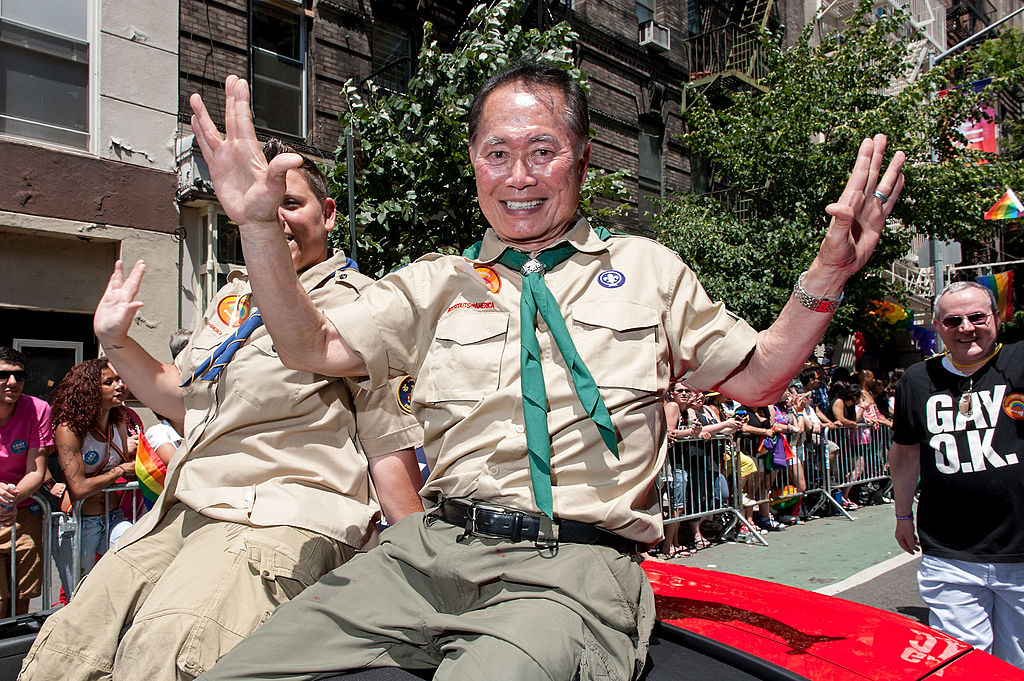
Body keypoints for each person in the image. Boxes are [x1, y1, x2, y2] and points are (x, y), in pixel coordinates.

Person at [185, 65, 904, 680]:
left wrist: (828, 272)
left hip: (567, 570)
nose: (519, 176)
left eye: (542, 150)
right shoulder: (436, 281)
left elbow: (759, 377)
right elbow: (310, 346)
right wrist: (255, 226)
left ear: (582, 160)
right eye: (496, 153)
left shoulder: (647, 270)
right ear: (473, 162)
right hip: (424, 555)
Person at [19, 140, 425, 681]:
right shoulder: (231, 301)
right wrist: (113, 340)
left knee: (163, 655)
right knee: (66, 650)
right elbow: (179, 396)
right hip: (182, 511)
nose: (272, 216)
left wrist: (421, 577)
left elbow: (389, 448)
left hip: (276, 517)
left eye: (290, 203)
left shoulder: (362, 306)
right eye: (257, 203)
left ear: (328, 215)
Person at [889, 281, 1024, 669]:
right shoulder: (917, 380)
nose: (966, 327)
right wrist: (901, 515)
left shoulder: (1019, 362)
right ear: (937, 327)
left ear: (996, 319)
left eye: (977, 317)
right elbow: (905, 453)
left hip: (1020, 548)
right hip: (950, 552)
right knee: (964, 664)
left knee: (1016, 663)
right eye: (953, 320)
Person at [49, 358, 136, 596]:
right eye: (109, 382)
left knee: (135, 562)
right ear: (89, 390)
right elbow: (78, 488)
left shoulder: (119, 420)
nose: (120, 385)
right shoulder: (69, 429)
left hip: (113, 517)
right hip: (79, 522)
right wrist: (120, 471)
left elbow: (127, 465)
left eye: (119, 380)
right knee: (79, 595)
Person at [0, 347, 51, 616]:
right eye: (4, 375)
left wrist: (9, 499)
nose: (13, 382)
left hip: (25, 511)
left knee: (22, 604)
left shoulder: (38, 408)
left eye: (19, 376)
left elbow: (36, 470)